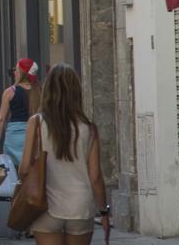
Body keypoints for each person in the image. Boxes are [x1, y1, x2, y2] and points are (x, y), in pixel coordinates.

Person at [18, 64, 111, 245]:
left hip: (46, 207)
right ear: (76, 92)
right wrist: (104, 211)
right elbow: (95, 177)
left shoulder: (36, 123)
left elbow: (23, 169)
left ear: (48, 89)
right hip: (80, 207)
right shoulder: (89, 128)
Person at [0, 58, 41, 170]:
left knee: (14, 175)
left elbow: (1, 120)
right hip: (34, 137)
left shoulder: (10, 92)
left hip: (13, 140)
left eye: (16, 69)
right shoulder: (40, 91)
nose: (14, 72)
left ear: (22, 72)